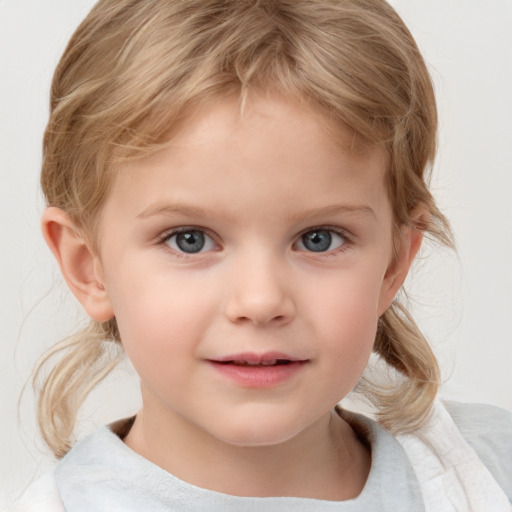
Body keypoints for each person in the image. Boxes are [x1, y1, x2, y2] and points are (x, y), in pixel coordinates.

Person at [9, 0, 512, 510]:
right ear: (87, 266)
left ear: (394, 262)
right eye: (190, 239)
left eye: (319, 238)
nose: (261, 300)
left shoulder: (490, 471)